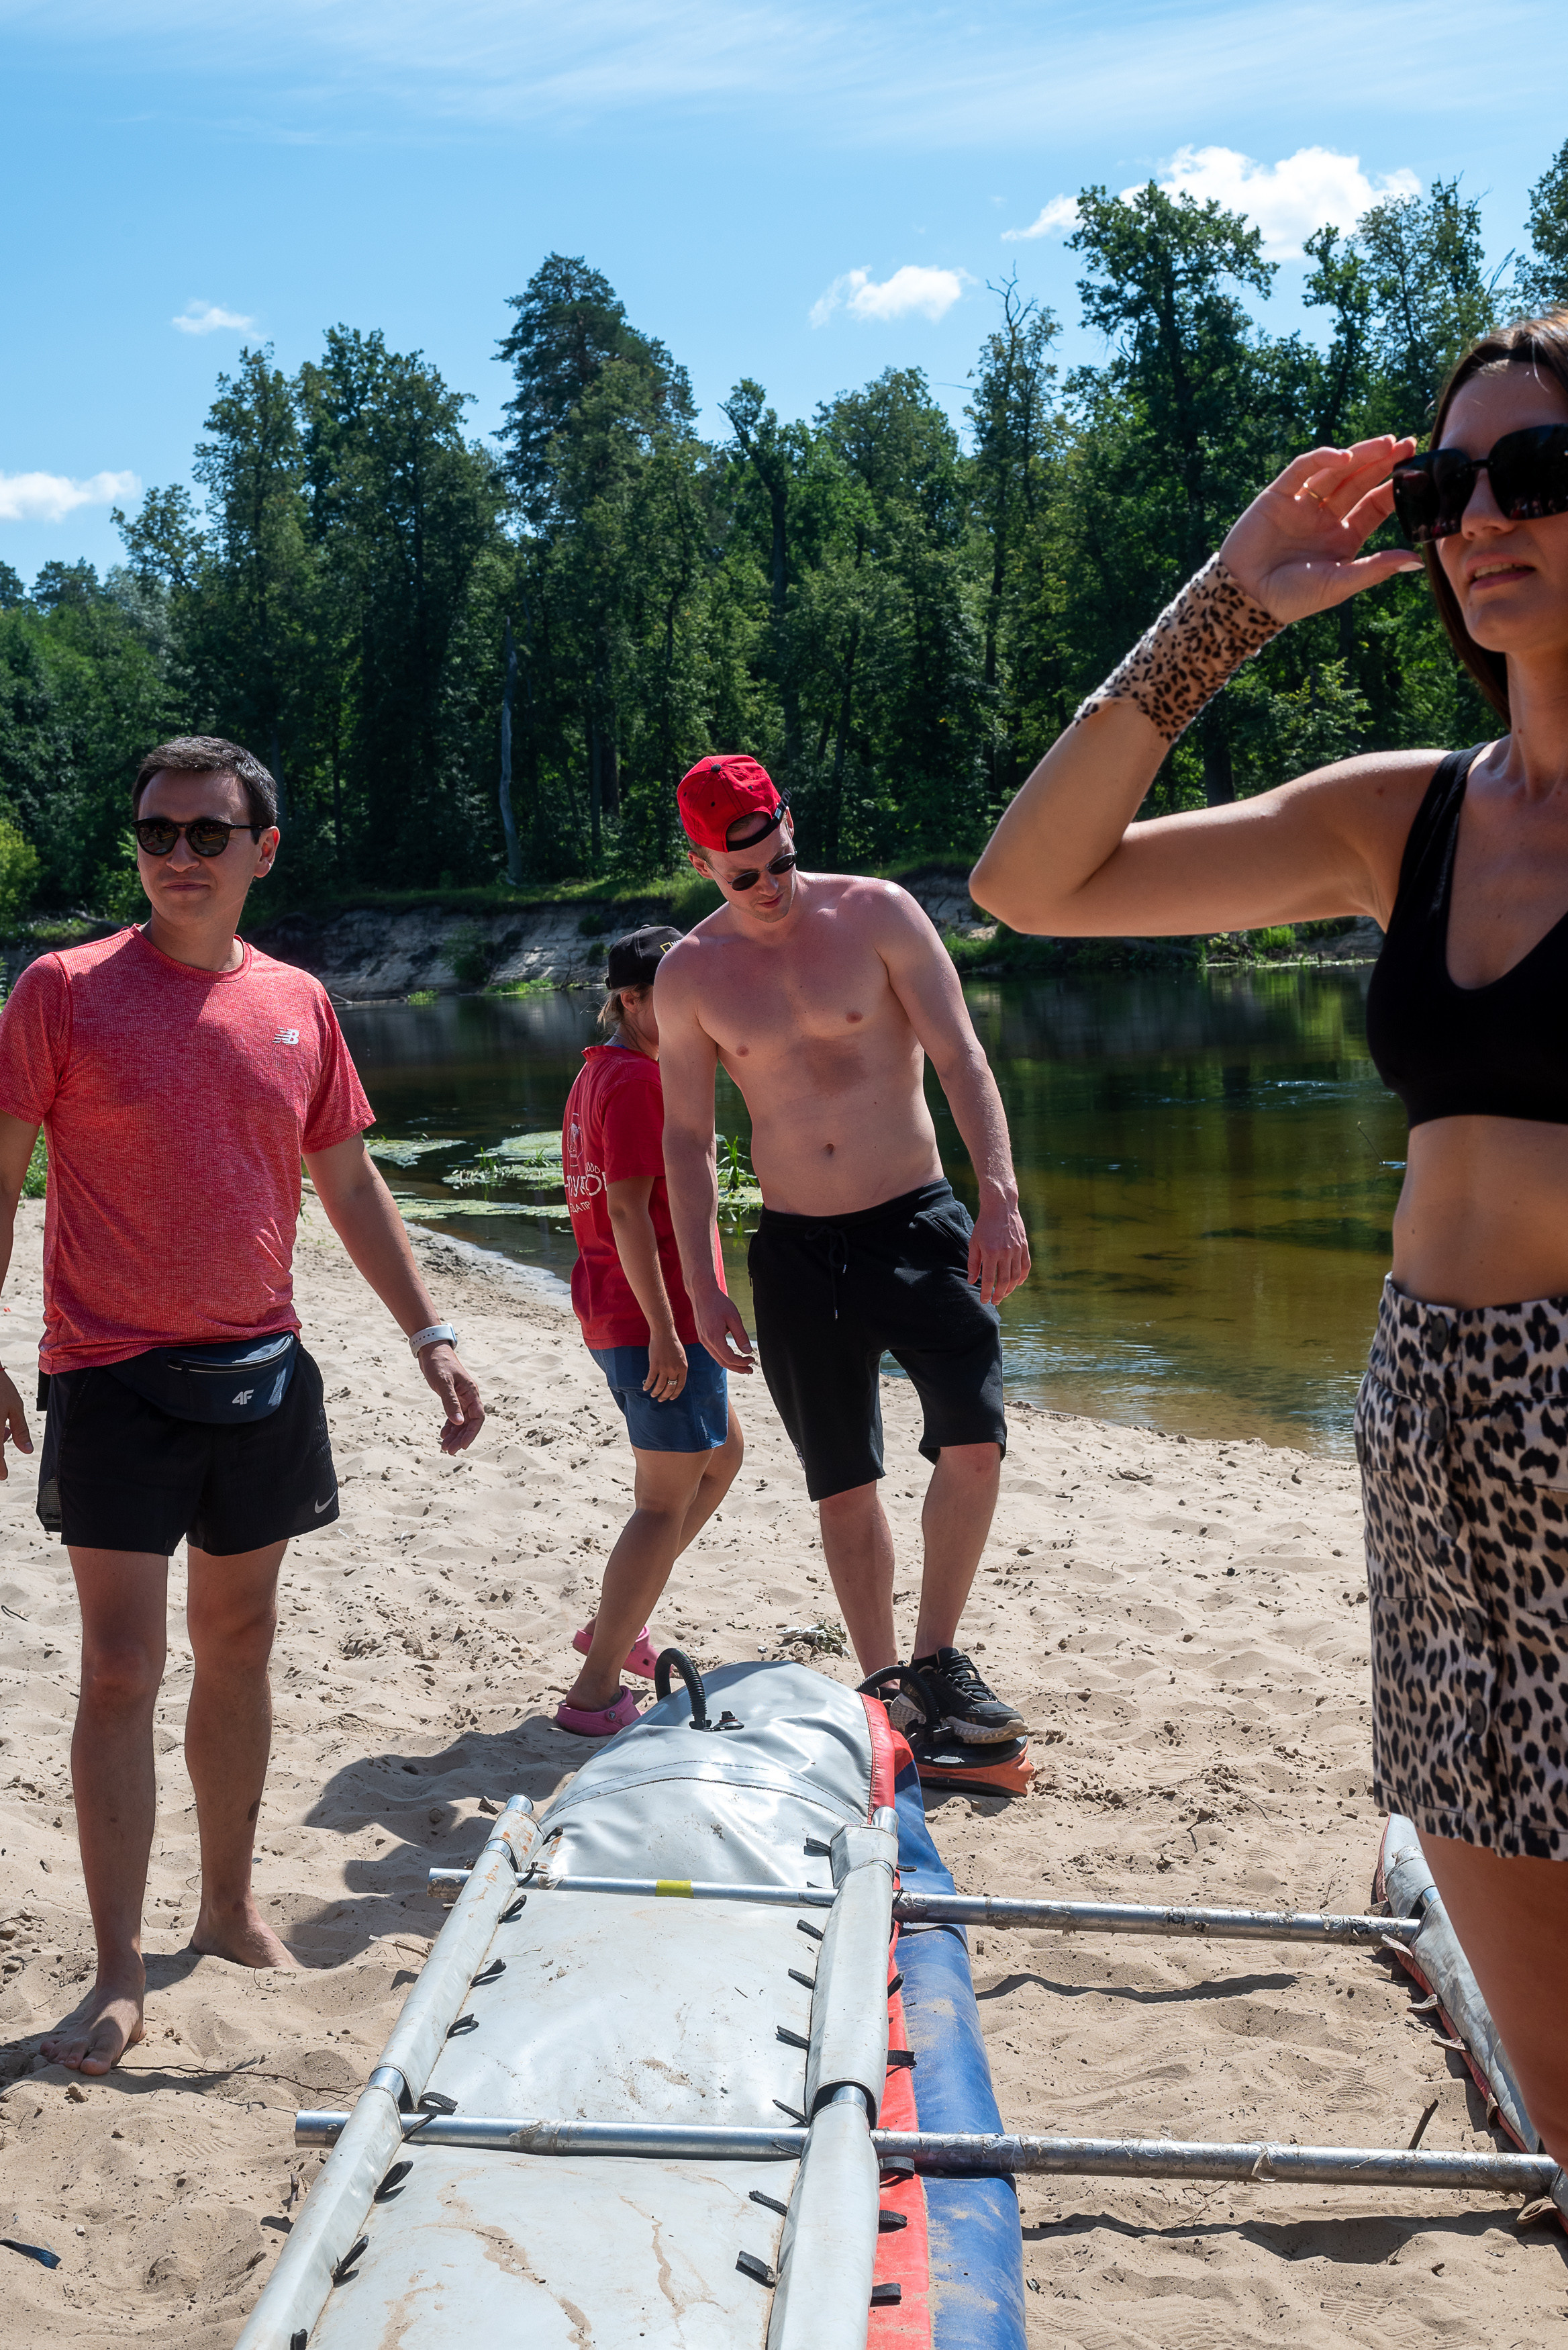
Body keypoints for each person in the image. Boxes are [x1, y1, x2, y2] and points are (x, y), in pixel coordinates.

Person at [966, 313, 1568, 2164]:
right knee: (1546, 2052)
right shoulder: (1414, 818)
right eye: (1451, 483)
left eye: (1533, 473)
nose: (1478, 517)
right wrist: (1226, 603)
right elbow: (1034, 883)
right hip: (1432, 1425)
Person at [0, 735, 483, 2075]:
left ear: (263, 848)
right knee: (116, 1667)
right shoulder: (64, 990)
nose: (177, 857)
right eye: (157, 832)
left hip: (259, 1371)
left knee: (242, 1643)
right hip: (106, 1374)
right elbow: (0, 1167)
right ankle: (112, 1970)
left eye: (208, 833)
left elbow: (351, 1181)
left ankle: (223, 1907)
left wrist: (430, 1332)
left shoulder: (298, 1002)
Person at [656, 755, 1031, 1741]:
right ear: (703, 864)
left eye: (780, 860)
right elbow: (686, 1143)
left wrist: (1000, 1193)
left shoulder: (879, 914)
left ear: (788, 824)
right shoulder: (689, 973)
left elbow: (961, 1056)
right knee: (843, 1477)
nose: (770, 887)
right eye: (744, 877)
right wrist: (703, 1285)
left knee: (975, 1440)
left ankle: (942, 1658)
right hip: (795, 1252)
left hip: (915, 1218)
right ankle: (886, 1684)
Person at [558, 926, 744, 1734]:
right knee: (660, 1504)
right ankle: (594, 1689)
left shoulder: (607, 1070)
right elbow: (626, 1209)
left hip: (628, 1309)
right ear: (630, 1001)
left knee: (723, 1454)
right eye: (671, 994)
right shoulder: (635, 1082)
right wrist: (668, 1332)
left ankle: (612, 1625)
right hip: (649, 1316)